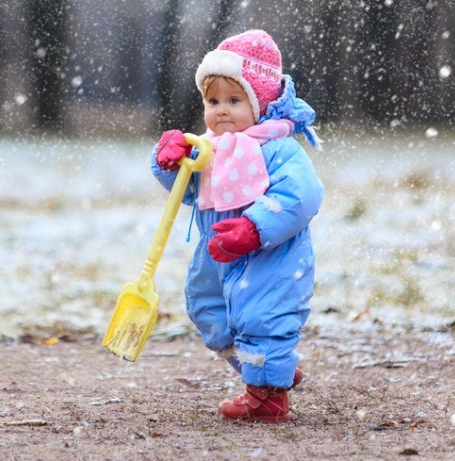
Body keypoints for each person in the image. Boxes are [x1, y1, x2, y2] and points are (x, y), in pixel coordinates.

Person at [151, 30, 323, 423]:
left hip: (270, 257)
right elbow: (187, 190)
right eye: (213, 101)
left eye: (234, 100)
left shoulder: (277, 148)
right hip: (216, 256)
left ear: (260, 103)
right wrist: (170, 161)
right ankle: (268, 372)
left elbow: (302, 195)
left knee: (262, 317)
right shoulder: (208, 148)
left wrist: (254, 226)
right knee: (208, 310)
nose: (222, 111)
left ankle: (267, 398)